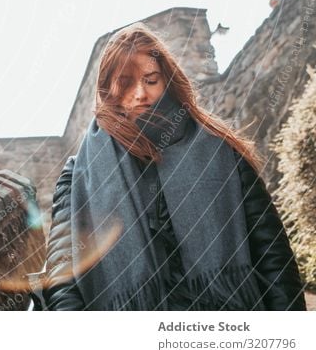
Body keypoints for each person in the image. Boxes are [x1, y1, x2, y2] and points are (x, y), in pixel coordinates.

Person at [40, 23, 306, 311]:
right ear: (109, 90)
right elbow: (62, 273)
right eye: (126, 82)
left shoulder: (219, 149)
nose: (140, 93)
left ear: (167, 80)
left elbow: (272, 254)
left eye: (151, 79)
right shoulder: (79, 173)